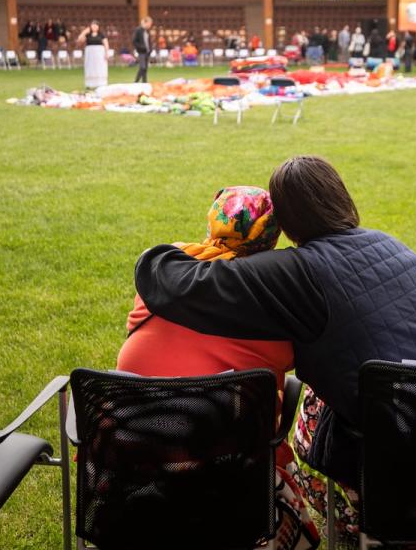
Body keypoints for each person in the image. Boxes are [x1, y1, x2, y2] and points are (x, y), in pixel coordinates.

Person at [134, 155, 416, 537]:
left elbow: (175, 281)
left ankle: (367, 526)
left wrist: (167, 252)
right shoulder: (392, 245)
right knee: (331, 395)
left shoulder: (299, 270)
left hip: (405, 466)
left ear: (288, 221)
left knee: (310, 415)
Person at [119, 186, 320, 550]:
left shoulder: (165, 271)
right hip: (230, 485)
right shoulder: (267, 299)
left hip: (140, 471)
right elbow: (294, 356)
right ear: (272, 237)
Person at [77, 20, 109, 90]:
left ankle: (101, 83)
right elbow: (79, 40)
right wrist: (84, 32)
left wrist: (106, 53)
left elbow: (106, 44)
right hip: (90, 53)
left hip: (99, 53)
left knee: (100, 68)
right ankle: (90, 84)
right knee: (90, 67)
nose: (94, 27)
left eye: (96, 25)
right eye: (93, 25)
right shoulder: (88, 35)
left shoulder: (101, 34)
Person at [132, 16, 153, 83]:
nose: (150, 25)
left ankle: (144, 82)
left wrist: (150, 49)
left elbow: (148, 41)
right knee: (142, 67)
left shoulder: (146, 31)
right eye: (150, 23)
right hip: (141, 52)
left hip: (147, 52)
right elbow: (134, 41)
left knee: (145, 69)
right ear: (145, 22)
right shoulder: (138, 30)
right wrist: (141, 47)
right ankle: (135, 82)